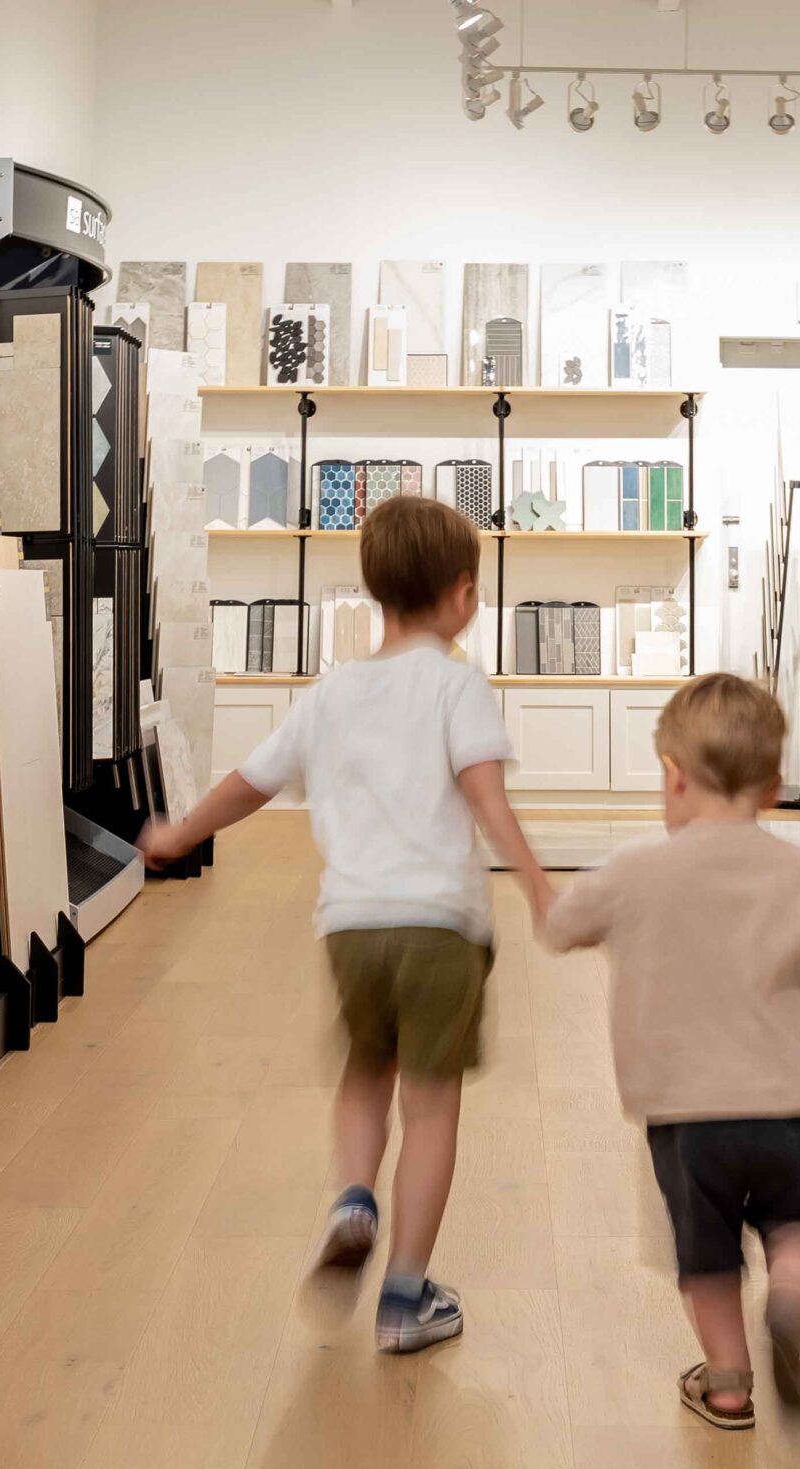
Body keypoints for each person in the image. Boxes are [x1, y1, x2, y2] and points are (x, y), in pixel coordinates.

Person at [138, 495, 552, 1353]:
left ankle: (353, 1197)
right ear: (463, 595)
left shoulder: (333, 692)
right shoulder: (457, 685)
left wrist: (179, 832)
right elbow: (485, 797)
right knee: (431, 1105)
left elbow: (250, 781)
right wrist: (542, 888)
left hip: (351, 927)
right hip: (441, 924)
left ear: (374, 590)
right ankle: (405, 1296)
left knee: (367, 1071)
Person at [537, 672, 800, 1427]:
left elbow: (560, 925)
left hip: (687, 1119)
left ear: (673, 776)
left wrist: (531, 875)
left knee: (709, 1259)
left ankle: (727, 1383)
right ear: (776, 785)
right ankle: (793, 1293)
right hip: (795, 1107)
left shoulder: (635, 871)